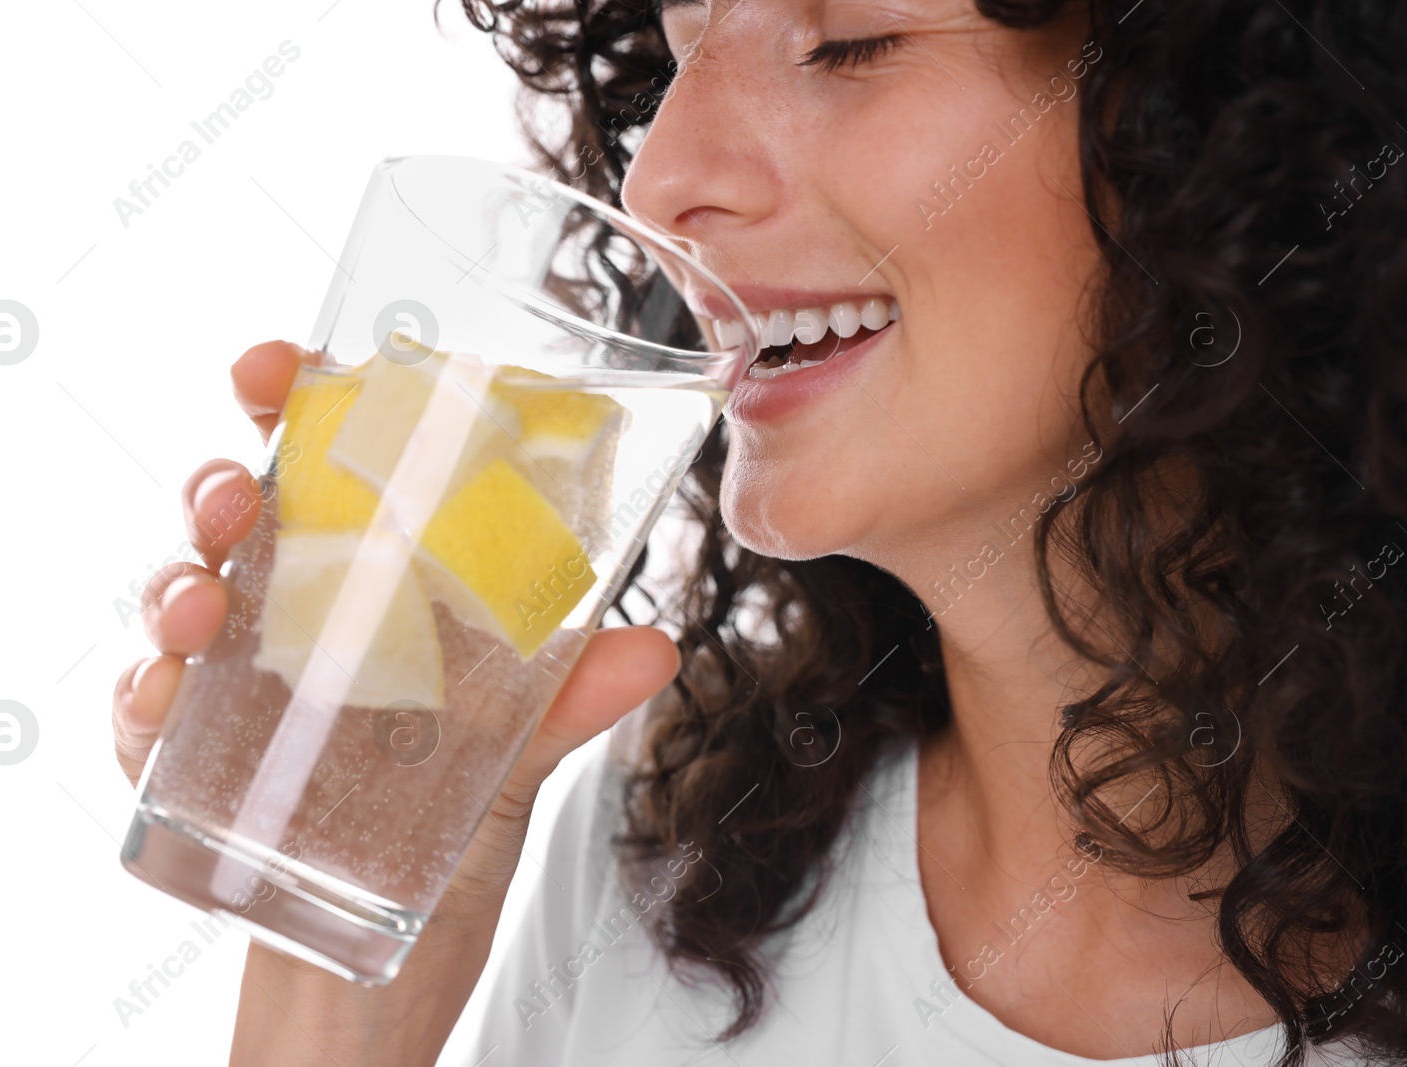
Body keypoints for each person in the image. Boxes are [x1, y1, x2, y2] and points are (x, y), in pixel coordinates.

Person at [110, 0, 1407, 1063]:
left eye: (845, 41)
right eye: (676, 55)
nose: (662, 181)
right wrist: (335, 946)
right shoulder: (669, 849)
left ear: (1227, 126)